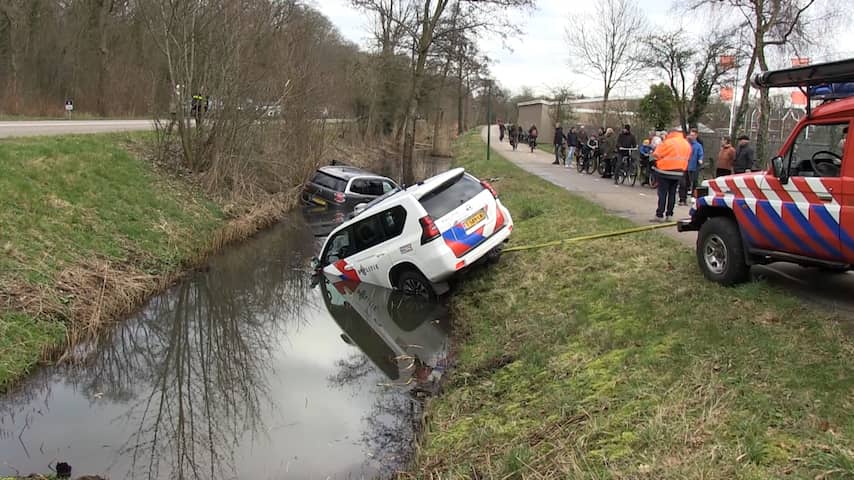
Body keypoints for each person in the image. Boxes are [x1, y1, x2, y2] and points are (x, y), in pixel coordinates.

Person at [652, 128, 691, 222]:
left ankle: (659, 215)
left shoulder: (667, 142)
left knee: (662, 194)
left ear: (671, 133)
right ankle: (669, 214)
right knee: (672, 194)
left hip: (664, 171)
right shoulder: (686, 144)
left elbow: (656, 154)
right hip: (678, 172)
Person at [679, 130, 704, 205]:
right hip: (685, 166)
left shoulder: (698, 146)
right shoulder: (686, 143)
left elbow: (701, 154)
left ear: (696, 136)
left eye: (693, 135)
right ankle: (682, 199)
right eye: (691, 135)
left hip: (694, 166)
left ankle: (693, 196)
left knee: (693, 182)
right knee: (683, 183)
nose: (691, 136)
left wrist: (700, 159)